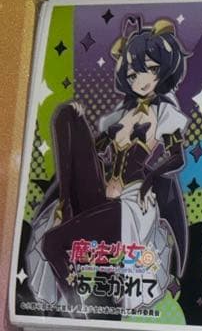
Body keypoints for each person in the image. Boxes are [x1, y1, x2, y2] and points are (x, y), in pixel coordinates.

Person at [25, 17, 190, 312]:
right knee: (67, 115)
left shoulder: (165, 114)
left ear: (162, 70)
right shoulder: (120, 116)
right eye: (132, 73)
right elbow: (94, 151)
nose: (139, 79)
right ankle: (65, 205)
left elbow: (177, 157)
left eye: (148, 69)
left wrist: (149, 182)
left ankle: (77, 307)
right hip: (106, 197)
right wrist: (78, 122)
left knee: (52, 243)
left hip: (133, 202)